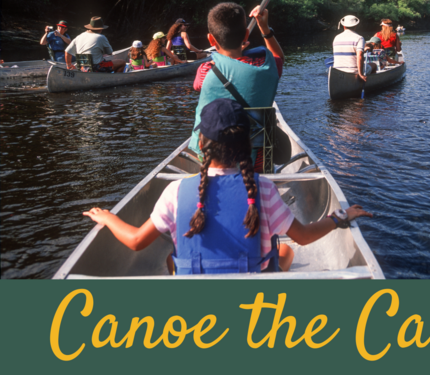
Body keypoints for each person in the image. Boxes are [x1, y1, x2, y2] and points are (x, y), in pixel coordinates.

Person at [83, 99, 372, 275]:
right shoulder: (264, 190)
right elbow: (305, 237)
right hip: (251, 297)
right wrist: (340, 217)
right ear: (246, 146)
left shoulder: (175, 192)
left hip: (199, 299)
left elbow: (135, 241)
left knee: (172, 259)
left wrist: (108, 218)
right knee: (286, 251)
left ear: (201, 145)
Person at [190, 2, 285, 171]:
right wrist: (264, 28)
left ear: (211, 39)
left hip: (212, 159)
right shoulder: (267, 65)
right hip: (257, 162)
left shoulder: (205, 70)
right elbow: (278, 57)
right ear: (246, 35)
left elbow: (197, 86)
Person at [332, 15, 366, 82]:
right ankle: (368, 83)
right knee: (373, 65)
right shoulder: (359, 38)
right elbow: (360, 56)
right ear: (355, 26)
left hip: (337, 71)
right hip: (352, 72)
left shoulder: (336, 37)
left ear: (344, 26)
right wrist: (360, 74)